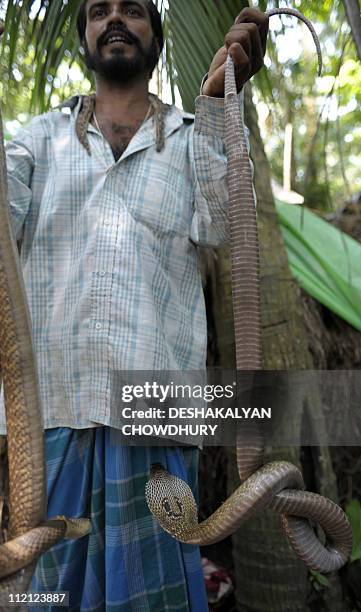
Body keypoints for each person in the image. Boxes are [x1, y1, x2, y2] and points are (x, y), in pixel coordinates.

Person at [0, 1, 268, 610]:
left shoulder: (191, 140)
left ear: (157, 35)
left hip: (159, 413)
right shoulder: (35, 141)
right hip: (53, 415)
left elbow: (224, 224)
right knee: (45, 596)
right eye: (100, 11)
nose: (115, 20)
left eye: (134, 11)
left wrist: (223, 103)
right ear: (85, 36)